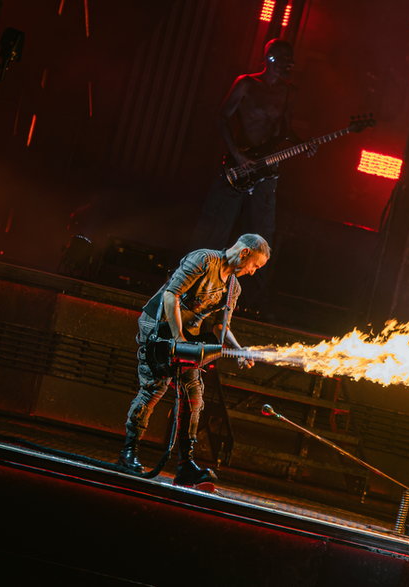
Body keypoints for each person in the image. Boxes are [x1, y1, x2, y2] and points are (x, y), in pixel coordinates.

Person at [117, 233, 270, 488]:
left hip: (187, 339)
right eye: (255, 265)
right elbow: (171, 296)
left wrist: (239, 350)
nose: (253, 272)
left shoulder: (234, 287)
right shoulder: (203, 259)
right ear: (244, 253)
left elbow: (222, 324)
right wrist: (178, 339)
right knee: (154, 388)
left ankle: (185, 465)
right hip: (159, 328)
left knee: (193, 397)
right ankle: (128, 454)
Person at [190, 38, 312, 311]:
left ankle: (252, 301)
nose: (286, 68)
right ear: (269, 60)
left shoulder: (287, 93)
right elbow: (222, 117)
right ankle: (194, 285)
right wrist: (237, 154)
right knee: (215, 228)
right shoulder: (246, 83)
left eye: (289, 63)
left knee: (262, 236)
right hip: (237, 169)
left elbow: (285, 130)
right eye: (282, 62)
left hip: (266, 172)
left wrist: (303, 143)